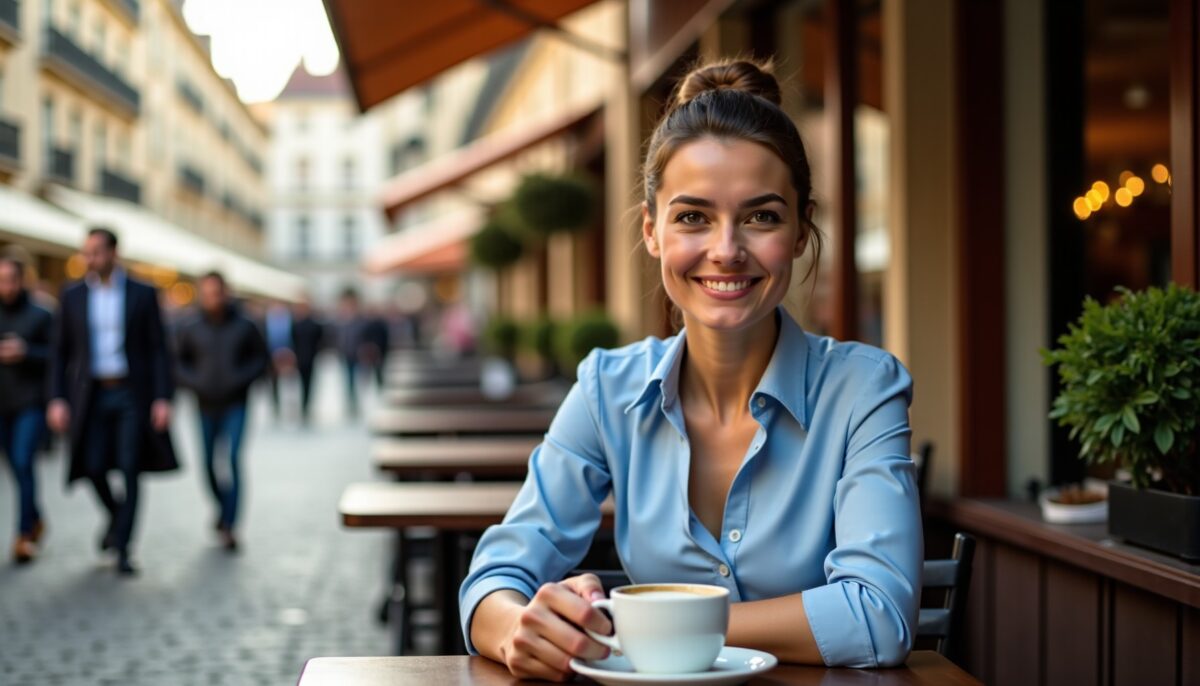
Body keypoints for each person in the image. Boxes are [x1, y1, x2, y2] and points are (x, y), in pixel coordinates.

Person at [460, 60, 922, 679]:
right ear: (652, 231)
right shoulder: (606, 388)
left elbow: (877, 616)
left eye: (761, 216)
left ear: (801, 228)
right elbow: (494, 580)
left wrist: (650, 626)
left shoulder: (863, 389)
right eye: (692, 217)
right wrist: (522, 627)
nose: (725, 249)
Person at [48, 227, 177, 576]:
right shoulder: (72, 294)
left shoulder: (142, 292)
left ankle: (123, 546)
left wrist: (163, 397)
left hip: (132, 393)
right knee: (90, 465)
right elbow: (60, 352)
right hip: (89, 394)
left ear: (114, 253)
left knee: (130, 465)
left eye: (96, 252)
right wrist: (57, 398)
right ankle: (117, 517)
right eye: (86, 252)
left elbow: (158, 348)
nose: (90, 259)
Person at [174, 272, 269, 550]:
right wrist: (195, 383)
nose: (212, 299)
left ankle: (230, 524)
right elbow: (179, 362)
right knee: (206, 464)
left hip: (236, 403)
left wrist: (240, 379)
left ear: (226, 293)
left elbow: (260, 360)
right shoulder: (191, 327)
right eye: (207, 293)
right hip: (203, 405)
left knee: (233, 459)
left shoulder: (245, 325)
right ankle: (222, 506)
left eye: (217, 293)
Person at [0, 257, 52, 563]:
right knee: (15, 467)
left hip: (30, 403)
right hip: (2, 403)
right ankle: (35, 517)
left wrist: (26, 352)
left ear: (22, 280)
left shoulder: (42, 315)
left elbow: (56, 357)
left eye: (10, 279)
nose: (5, 286)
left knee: (23, 461)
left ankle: (23, 535)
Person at [289, 298, 325, 425]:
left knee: (308, 384)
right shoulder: (298, 324)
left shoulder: (310, 324)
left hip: (309, 358)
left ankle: (305, 406)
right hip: (303, 358)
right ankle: (304, 405)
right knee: (303, 384)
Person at [334, 288, 365, 418]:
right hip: (345, 354)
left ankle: (354, 401)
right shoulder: (341, 321)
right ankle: (350, 401)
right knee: (348, 379)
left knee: (354, 378)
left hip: (356, 354)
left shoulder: (359, 321)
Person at [263, 300, 295, 418]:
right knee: (274, 382)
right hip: (271, 355)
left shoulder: (289, 320)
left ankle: (290, 404)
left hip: (287, 354)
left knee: (289, 381)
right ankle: (276, 404)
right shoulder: (268, 320)